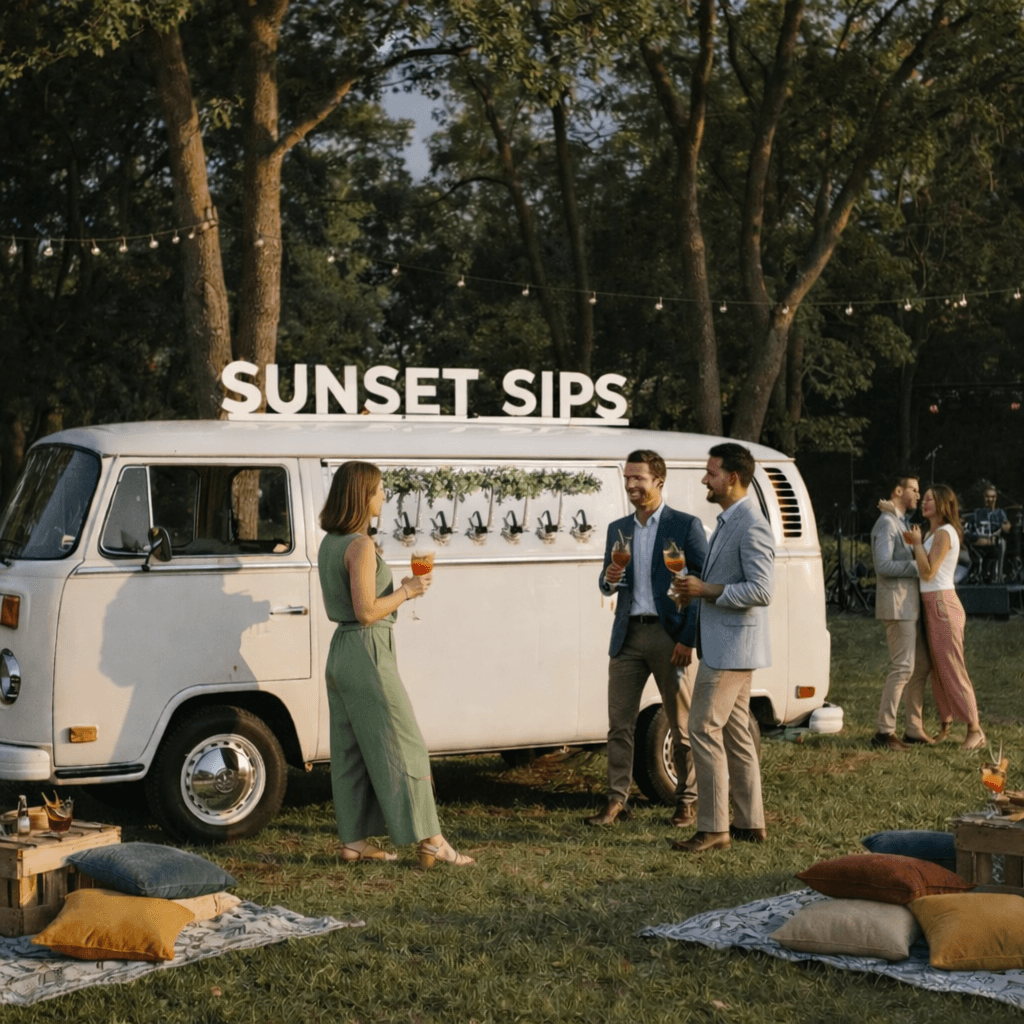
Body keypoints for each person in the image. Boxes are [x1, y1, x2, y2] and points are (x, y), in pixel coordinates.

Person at [318, 460, 475, 867]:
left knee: (349, 749)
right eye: (379, 490)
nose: (383, 497)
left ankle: (354, 842)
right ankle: (433, 841)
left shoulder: (330, 542)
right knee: (408, 746)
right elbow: (367, 611)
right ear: (362, 496)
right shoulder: (360, 545)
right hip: (368, 650)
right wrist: (408, 589)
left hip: (340, 654)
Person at [588, 450, 708, 827]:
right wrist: (608, 577)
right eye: (627, 479)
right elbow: (607, 586)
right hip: (627, 636)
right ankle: (616, 801)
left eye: (638, 479)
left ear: (659, 480)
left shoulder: (685, 526)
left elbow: (702, 586)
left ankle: (687, 801)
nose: (630, 486)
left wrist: (687, 638)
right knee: (618, 725)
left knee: (681, 723)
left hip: (667, 635)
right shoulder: (618, 529)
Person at [669, 443, 774, 853]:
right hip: (729, 641)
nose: (704, 479)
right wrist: (692, 592)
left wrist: (707, 590)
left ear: (732, 477)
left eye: (711, 473)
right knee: (736, 734)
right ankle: (751, 823)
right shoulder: (730, 520)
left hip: (731, 646)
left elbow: (762, 590)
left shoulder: (751, 524)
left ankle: (714, 829)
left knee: (701, 727)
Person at [903, 485, 986, 752]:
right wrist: (916, 543)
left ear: (943, 505)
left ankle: (975, 730)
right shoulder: (931, 533)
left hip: (942, 605)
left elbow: (928, 573)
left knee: (953, 668)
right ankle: (946, 725)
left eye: (930, 499)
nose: (924, 503)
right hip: (931, 606)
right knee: (940, 670)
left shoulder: (944, 533)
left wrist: (916, 545)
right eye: (923, 498)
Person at [869, 473, 932, 751]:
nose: (918, 495)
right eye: (914, 490)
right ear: (898, 490)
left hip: (907, 605)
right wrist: (916, 567)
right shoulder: (886, 524)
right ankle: (884, 732)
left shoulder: (897, 521)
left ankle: (911, 729)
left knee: (912, 666)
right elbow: (883, 566)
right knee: (903, 667)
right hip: (897, 606)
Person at [965, 483, 1011, 583]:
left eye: (993, 497)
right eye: (987, 496)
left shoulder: (1000, 513)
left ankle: (997, 576)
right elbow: (968, 529)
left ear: (996, 498)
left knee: (1002, 542)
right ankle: (972, 574)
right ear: (983, 497)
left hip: (993, 542)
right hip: (978, 542)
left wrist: (1006, 526)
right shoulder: (977, 513)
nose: (990, 499)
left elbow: (1007, 526)